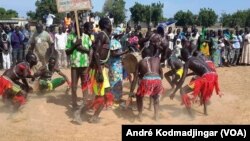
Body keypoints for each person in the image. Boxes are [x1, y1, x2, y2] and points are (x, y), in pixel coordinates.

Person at [170, 48, 221, 115]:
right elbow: (198, 70)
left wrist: (174, 92)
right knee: (202, 88)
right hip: (213, 76)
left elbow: (182, 80)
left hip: (206, 77)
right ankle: (205, 112)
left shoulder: (187, 63)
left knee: (182, 91)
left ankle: (190, 114)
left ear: (183, 55)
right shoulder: (196, 58)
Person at [135, 48, 163, 121]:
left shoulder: (140, 62)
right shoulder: (157, 60)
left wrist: (131, 91)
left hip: (147, 80)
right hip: (157, 80)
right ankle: (156, 116)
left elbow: (135, 77)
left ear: (142, 55)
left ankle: (140, 115)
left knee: (139, 96)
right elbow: (161, 74)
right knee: (156, 97)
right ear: (151, 55)